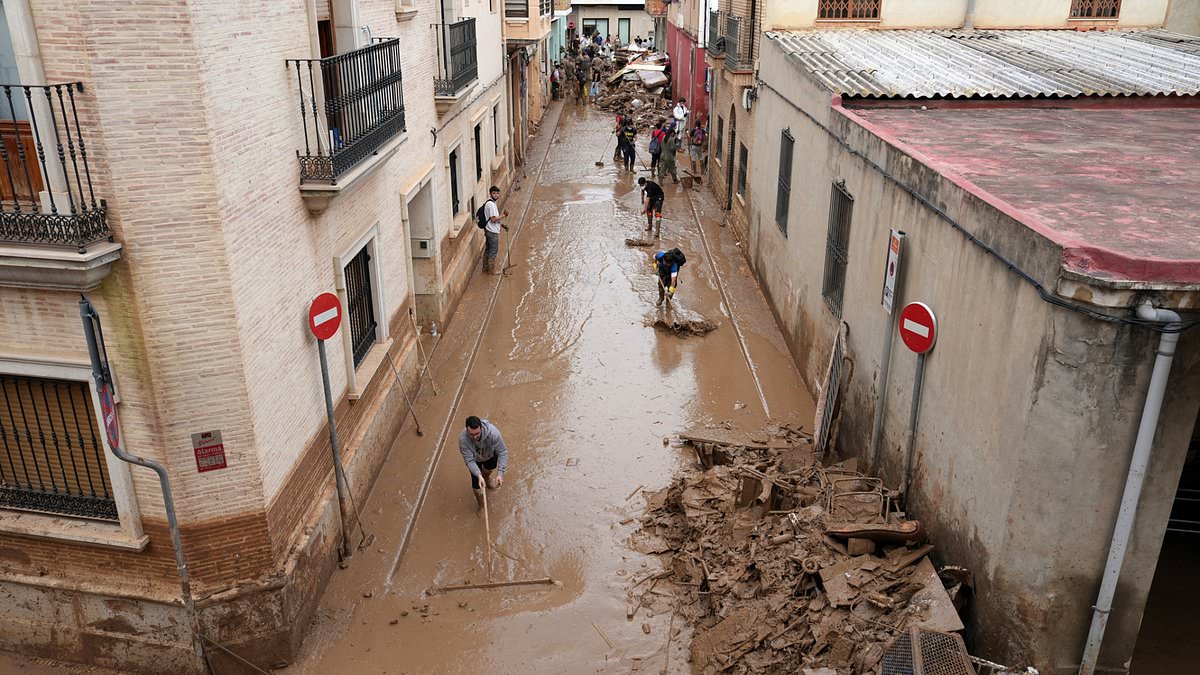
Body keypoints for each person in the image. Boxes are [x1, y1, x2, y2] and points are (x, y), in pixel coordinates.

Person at [459, 416, 509, 510]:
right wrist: (478, 475)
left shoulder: (493, 433)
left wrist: (500, 473)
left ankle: (487, 478)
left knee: (490, 467)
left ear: (481, 427)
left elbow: (502, 452)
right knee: (476, 484)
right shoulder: (463, 440)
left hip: (490, 454)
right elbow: (469, 460)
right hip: (474, 460)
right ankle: (481, 506)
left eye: (477, 433)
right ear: (467, 430)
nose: (474, 437)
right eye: (471, 434)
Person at [482, 185, 508, 275]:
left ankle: (485, 268)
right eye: (494, 193)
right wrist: (503, 216)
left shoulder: (489, 203)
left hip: (488, 230)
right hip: (492, 231)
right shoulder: (492, 205)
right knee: (493, 250)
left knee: (488, 249)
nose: (496, 195)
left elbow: (492, 219)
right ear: (490, 194)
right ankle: (491, 271)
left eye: (497, 193)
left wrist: (502, 225)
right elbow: (493, 219)